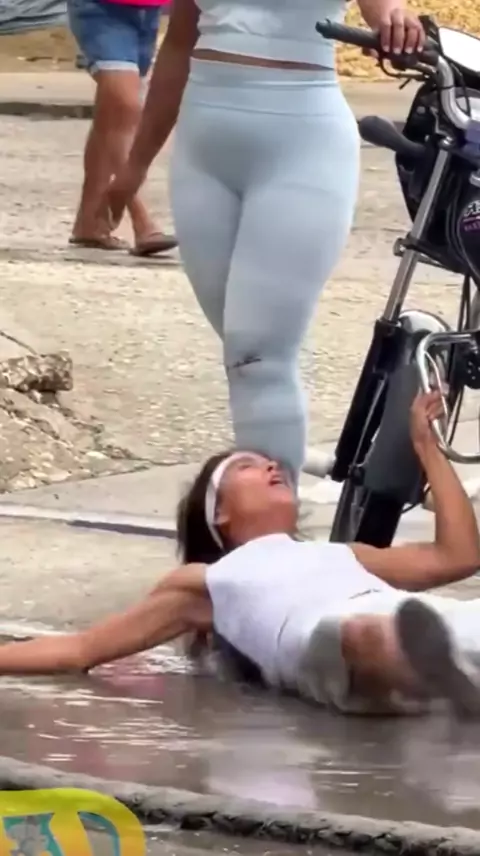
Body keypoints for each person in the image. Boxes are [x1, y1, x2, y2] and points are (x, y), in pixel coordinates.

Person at [1, 391, 480, 716]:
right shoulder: (207, 582)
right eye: (247, 467)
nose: (272, 466)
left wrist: (427, 447)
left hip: (414, 620)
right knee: (365, 634)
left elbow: (458, 556)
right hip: (330, 642)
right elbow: (79, 651)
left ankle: (450, 681)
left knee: (456, 620)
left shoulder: (343, 554)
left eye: (269, 462)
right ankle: (440, 684)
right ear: (220, 513)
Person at [104, 0, 425, 481]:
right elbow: (179, 44)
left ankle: (273, 510)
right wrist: (135, 166)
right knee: (245, 357)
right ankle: (277, 475)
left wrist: (394, 18)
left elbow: (385, 10)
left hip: (301, 145)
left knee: (258, 355)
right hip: (203, 150)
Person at [67, 0, 177, 255]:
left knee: (113, 115)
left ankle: (89, 223)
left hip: (149, 12)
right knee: (126, 106)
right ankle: (142, 220)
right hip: (101, 10)